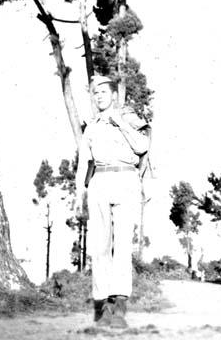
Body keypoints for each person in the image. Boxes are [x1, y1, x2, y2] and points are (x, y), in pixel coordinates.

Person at [75, 75, 150, 328]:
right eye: (95, 93)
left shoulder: (129, 119)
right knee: (99, 246)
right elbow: (83, 161)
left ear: (114, 96)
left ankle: (120, 309)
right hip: (99, 181)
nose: (99, 97)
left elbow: (142, 146)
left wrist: (121, 123)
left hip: (126, 180)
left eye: (104, 92)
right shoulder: (91, 127)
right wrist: (79, 193)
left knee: (122, 246)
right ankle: (102, 308)